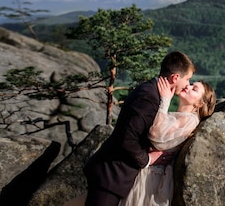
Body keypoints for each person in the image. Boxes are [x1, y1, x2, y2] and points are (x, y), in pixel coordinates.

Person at [82, 50, 197, 206]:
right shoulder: (149, 97)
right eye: (187, 79)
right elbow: (127, 139)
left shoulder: (153, 92)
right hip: (111, 174)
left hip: (116, 175)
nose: (187, 85)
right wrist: (149, 159)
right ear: (175, 77)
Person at [120, 75, 216, 205]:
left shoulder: (190, 120)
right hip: (147, 173)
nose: (188, 86)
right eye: (191, 84)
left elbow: (156, 135)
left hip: (151, 180)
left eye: (194, 89)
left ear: (200, 103)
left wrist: (165, 100)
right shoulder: (180, 117)